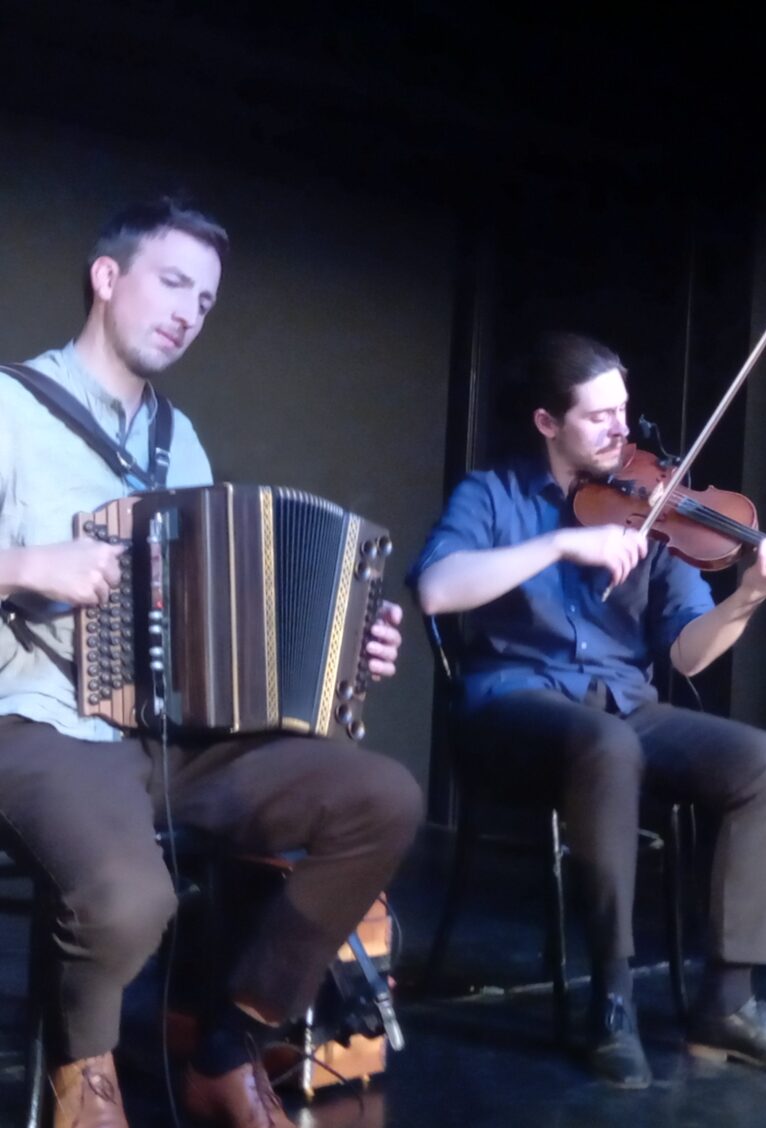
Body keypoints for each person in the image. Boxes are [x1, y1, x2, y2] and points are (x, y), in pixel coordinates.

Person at [0, 199, 423, 1128]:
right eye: (174, 282)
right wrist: (27, 565)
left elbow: (215, 605)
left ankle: (227, 1046)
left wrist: (349, 643)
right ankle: (85, 1072)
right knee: (129, 898)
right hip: (41, 720)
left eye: (207, 298)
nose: (191, 310)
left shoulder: (175, 441)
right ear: (108, 279)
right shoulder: (11, 408)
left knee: (380, 796)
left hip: (174, 731)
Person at [410, 331, 766, 1089]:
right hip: (514, 704)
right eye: (598, 418)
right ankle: (611, 999)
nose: (623, 433)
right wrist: (558, 547)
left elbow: (686, 654)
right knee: (607, 746)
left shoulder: (652, 510)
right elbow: (436, 588)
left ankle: (727, 1002)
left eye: (625, 413)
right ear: (548, 423)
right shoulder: (493, 495)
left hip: (624, 705)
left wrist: (747, 598)